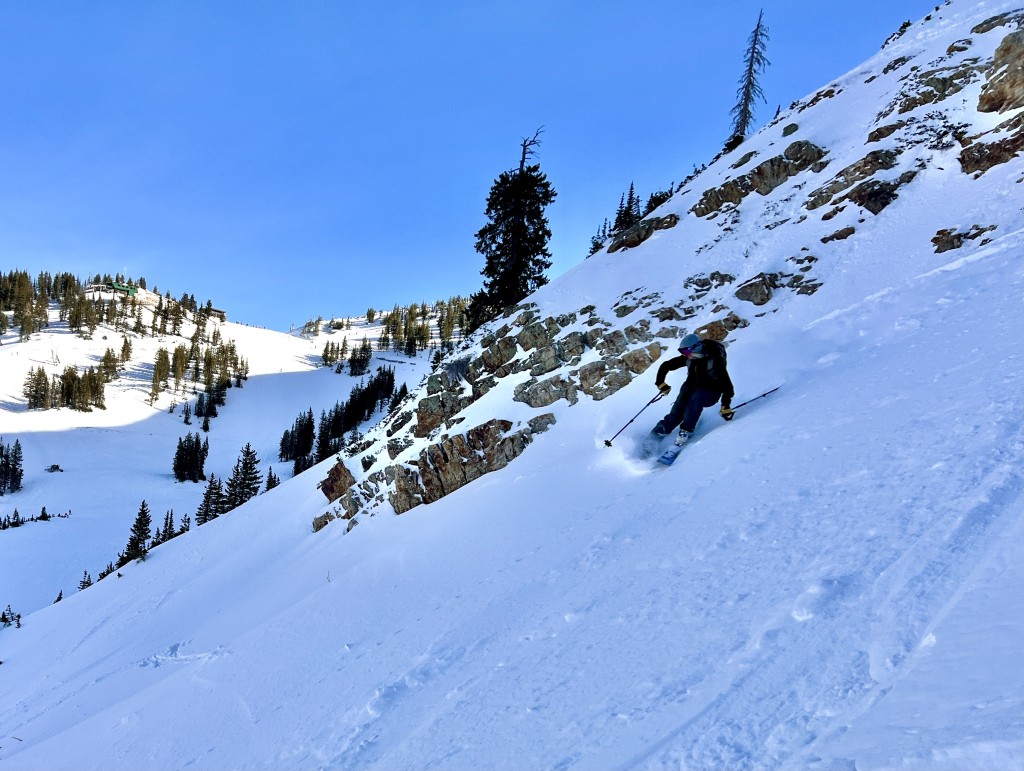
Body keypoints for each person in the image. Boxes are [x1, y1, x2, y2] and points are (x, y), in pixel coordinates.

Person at [643, 333, 735, 456]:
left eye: (686, 352)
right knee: (681, 402)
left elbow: (727, 386)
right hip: (692, 388)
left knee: (696, 399)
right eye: (683, 353)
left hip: (711, 393)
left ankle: (685, 431)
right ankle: (659, 433)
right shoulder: (690, 358)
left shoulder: (715, 360)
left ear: (695, 347)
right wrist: (660, 382)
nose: (684, 355)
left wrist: (726, 405)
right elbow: (666, 365)